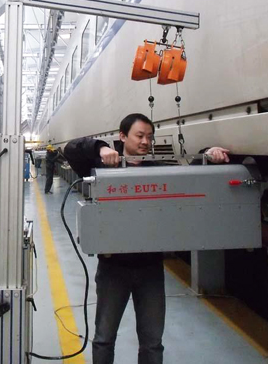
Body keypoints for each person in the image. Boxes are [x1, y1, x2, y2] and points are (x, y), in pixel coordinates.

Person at [64, 113, 229, 364]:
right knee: (104, 338)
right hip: (113, 268)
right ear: (122, 137)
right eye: (139, 135)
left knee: (152, 344)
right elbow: (71, 149)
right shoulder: (102, 169)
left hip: (150, 268)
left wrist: (208, 153)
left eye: (149, 137)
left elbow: (191, 174)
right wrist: (101, 148)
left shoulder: (157, 170)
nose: (145, 142)